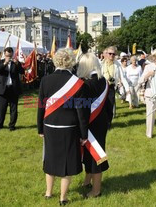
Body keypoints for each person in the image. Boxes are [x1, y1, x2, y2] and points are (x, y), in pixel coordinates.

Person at [37, 48, 88, 205]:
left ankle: (48, 193)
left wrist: (40, 128)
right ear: (71, 62)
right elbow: (81, 112)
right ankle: (63, 198)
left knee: (50, 158)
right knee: (68, 162)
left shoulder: (45, 80)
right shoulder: (78, 83)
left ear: (55, 61)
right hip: (69, 127)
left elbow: (41, 107)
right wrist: (84, 134)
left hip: (49, 126)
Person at [77, 53, 113, 198]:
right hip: (101, 123)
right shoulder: (104, 81)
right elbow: (110, 104)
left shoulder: (85, 85)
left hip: (89, 125)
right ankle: (87, 181)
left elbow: (83, 111)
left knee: (95, 156)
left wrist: (82, 131)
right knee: (90, 155)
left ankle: (96, 190)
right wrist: (108, 121)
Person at [0, 47, 24, 131]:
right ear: (5, 54)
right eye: (7, 55)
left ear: (12, 54)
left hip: (13, 88)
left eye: (10, 55)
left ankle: (12, 125)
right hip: (3, 89)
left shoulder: (15, 62)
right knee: (1, 109)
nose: (8, 57)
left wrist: (18, 63)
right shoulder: (0, 62)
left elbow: (22, 71)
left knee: (14, 109)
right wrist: (4, 63)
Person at [101, 46, 121, 119]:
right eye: (110, 53)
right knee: (102, 105)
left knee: (110, 104)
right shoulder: (101, 63)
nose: (111, 55)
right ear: (106, 54)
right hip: (102, 87)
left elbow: (123, 77)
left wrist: (127, 89)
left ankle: (109, 121)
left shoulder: (117, 65)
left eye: (113, 54)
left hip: (111, 87)